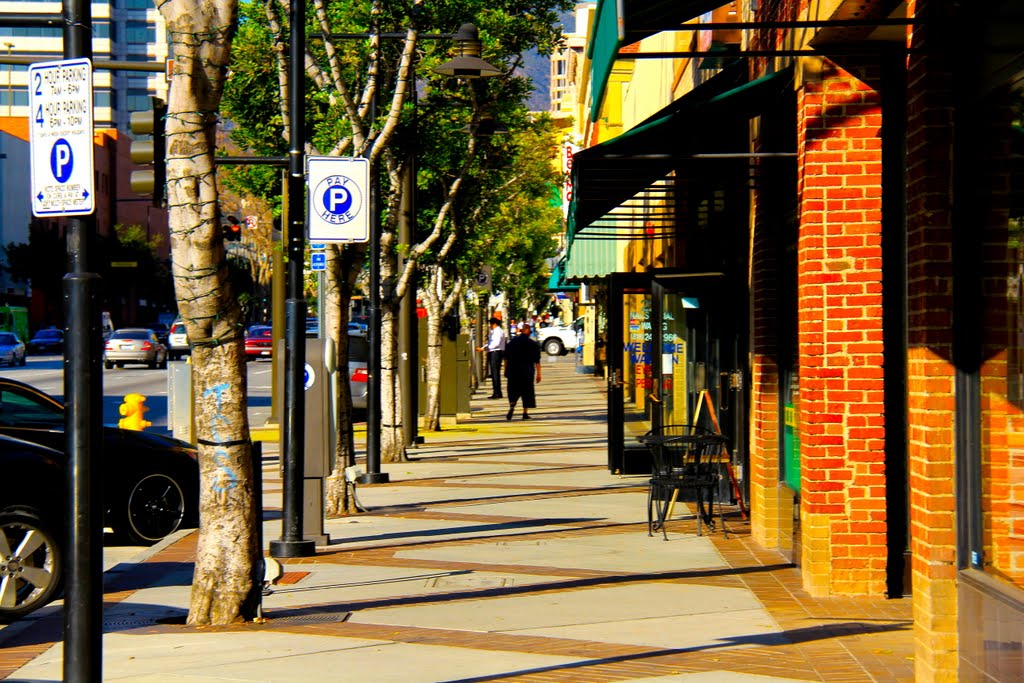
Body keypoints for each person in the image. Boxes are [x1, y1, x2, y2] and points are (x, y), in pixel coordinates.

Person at [503, 321, 542, 420]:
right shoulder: (532, 344)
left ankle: (512, 404)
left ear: (521, 330)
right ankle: (525, 413)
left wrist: (505, 370)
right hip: (527, 371)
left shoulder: (512, 342)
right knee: (527, 392)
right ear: (528, 332)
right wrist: (539, 374)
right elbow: (537, 361)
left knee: (512, 389)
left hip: (513, 370)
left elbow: (506, 358)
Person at [476, 317, 506, 399]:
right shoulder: (495, 332)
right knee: (494, 373)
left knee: (495, 373)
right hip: (493, 352)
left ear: (494, 324)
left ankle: (497, 392)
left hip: (496, 353)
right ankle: (497, 391)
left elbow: (495, 344)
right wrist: (483, 348)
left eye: (491, 324)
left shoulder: (498, 332)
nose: (490, 326)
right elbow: (490, 343)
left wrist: (484, 348)